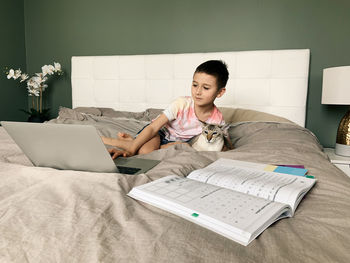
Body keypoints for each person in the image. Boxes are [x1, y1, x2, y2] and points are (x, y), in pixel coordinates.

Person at [102, 60, 229, 159]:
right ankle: (109, 140)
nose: (197, 91)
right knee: (145, 152)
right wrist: (130, 151)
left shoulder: (217, 119)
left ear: (220, 92)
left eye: (206, 88)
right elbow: (152, 128)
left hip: (180, 142)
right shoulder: (181, 104)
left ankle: (134, 141)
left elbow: (222, 141)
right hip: (159, 133)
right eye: (195, 85)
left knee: (178, 148)